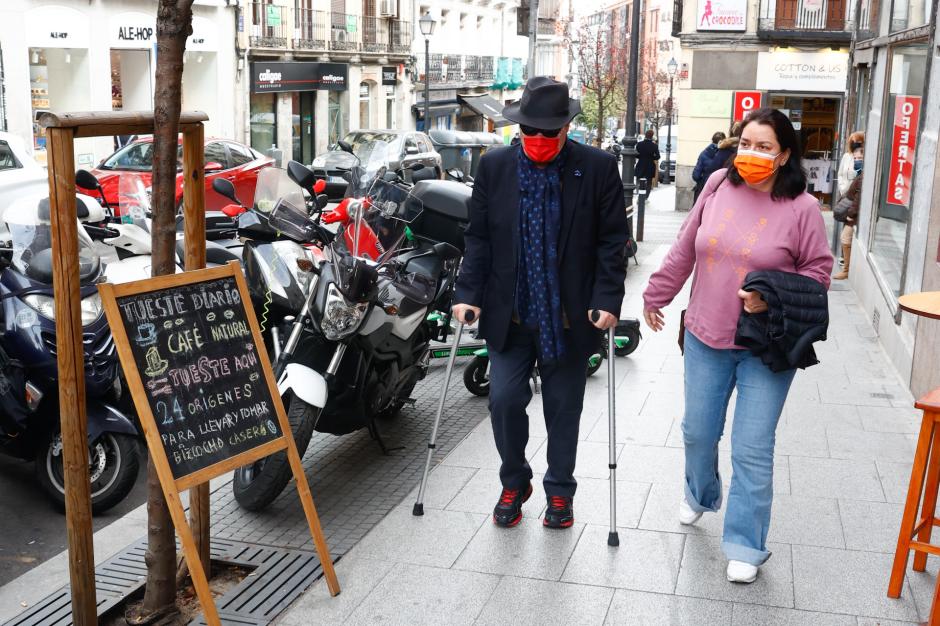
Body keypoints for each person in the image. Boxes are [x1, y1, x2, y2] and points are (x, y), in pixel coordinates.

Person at [642, 108, 832, 584]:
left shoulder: (802, 209)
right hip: (707, 333)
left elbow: (819, 273)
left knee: (752, 448)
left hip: (766, 347)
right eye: (745, 142)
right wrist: (657, 292)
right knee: (697, 432)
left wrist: (769, 297)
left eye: (764, 146)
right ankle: (700, 492)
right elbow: (688, 244)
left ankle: (746, 542)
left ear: (784, 155)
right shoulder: (718, 186)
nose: (751, 153)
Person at [452, 76, 627, 529]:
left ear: (566, 128)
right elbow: (479, 239)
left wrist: (607, 298)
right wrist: (467, 293)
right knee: (505, 401)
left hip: (569, 316)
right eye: (530, 131)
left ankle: (560, 491)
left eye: (549, 132)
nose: (539, 140)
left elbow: (612, 242)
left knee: (563, 408)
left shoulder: (598, 167)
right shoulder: (494, 167)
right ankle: (515, 480)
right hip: (509, 314)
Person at [834, 131, 864, 280]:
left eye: (858, 142)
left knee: (846, 237)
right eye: (853, 142)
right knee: (845, 235)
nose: (855, 145)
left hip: (854, 204)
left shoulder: (862, 166)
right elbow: (840, 174)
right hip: (846, 196)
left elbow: (859, 191)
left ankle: (847, 268)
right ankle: (846, 265)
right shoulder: (847, 157)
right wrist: (842, 189)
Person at [692, 132, 727, 203]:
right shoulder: (726, 154)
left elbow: (696, 175)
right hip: (719, 191)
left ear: (712, 140)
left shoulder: (704, 153)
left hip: (704, 188)